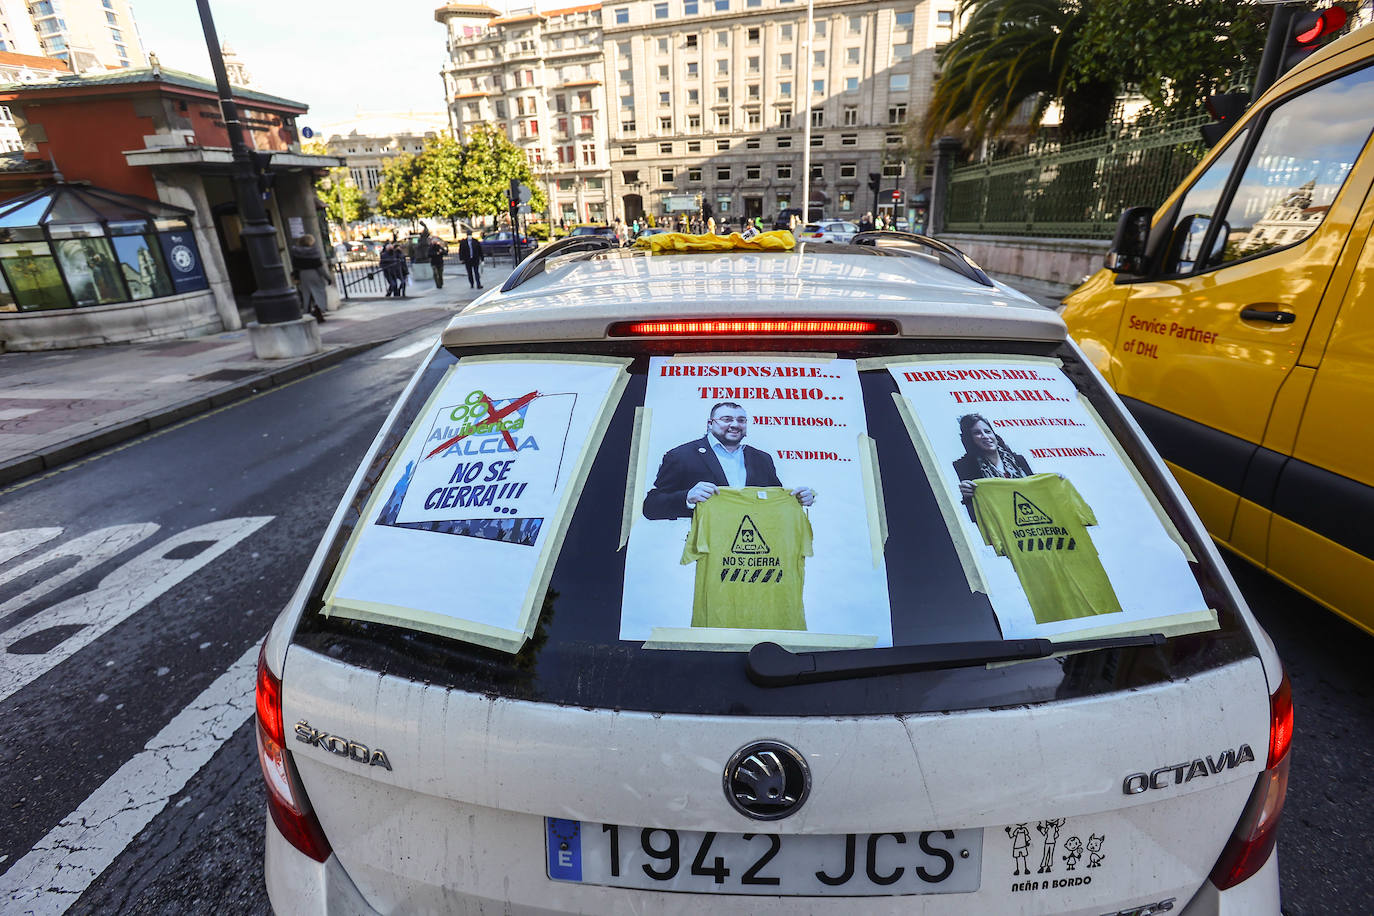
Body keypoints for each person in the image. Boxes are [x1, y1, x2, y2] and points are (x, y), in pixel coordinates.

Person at [642, 401, 815, 520]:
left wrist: (797, 499)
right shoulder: (681, 456)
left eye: (741, 420)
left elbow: (774, 501)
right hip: (703, 550)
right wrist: (687, 497)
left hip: (755, 549)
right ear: (710, 424)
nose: (735, 424)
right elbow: (651, 506)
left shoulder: (762, 458)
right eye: (726, 419)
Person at [952, 412, 1033, 520]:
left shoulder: (1019, 460)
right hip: (998, 522)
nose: (985, 436)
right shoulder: (964, 466)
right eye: (977, 433)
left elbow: (1034, 488)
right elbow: (972, 513)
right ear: (969, 438)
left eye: (987, 431)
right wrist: (967, 496)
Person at [289, 233, 330, 322]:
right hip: (314, 274)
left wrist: (296, 276)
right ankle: (318, 310)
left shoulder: (296, 252)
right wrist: (327, 278)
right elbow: (319, 267)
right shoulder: (313, 251)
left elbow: (295, 266)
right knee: (319, 293)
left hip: (303, 275)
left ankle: (307, 311)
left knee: (306, 294)